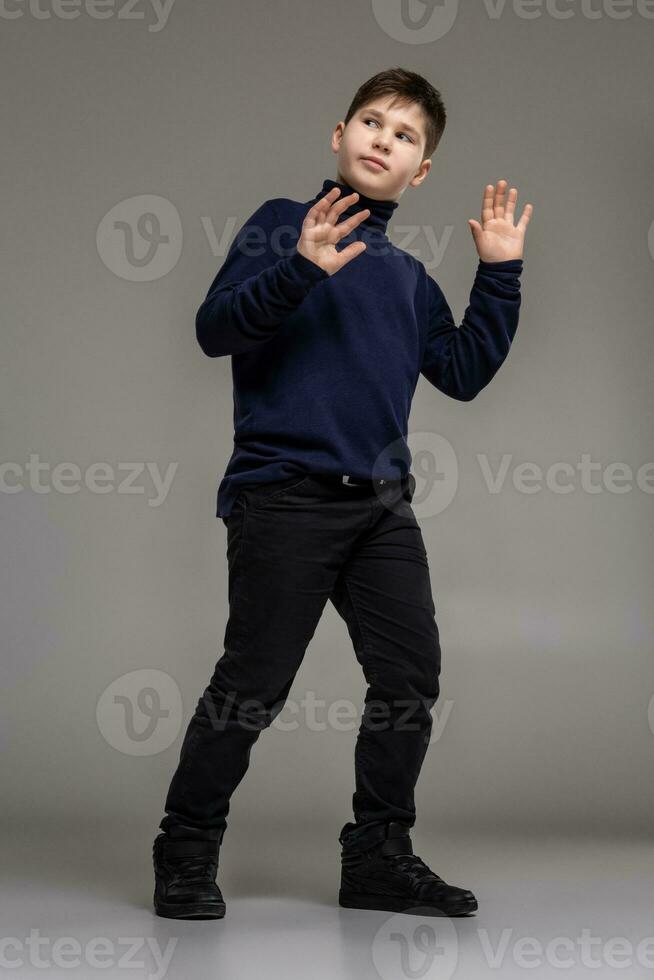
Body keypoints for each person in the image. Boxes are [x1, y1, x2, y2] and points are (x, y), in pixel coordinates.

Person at [152, 66, 533, 920]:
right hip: (282, 495)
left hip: (380, 510)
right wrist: (298, 269)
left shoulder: (408, 279)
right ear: (339, 134)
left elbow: (464, 372)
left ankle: (377, 859)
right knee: (253, 684)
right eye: (370, 122)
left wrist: (500, 274)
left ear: (420, 171)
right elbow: (215, 330)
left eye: (404, 137)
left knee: (410, 679)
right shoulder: (282, 227)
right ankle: (185, 849)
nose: (382, 140)